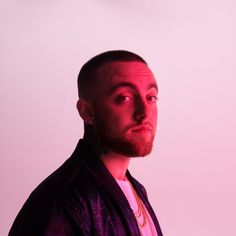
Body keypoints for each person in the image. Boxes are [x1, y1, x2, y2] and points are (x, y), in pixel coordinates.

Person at [9, 50, 163, 236]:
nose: (144, 113)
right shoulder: (66, 202)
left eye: (151, 97)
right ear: (87, 112)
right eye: (124, 98)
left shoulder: (136, 190)